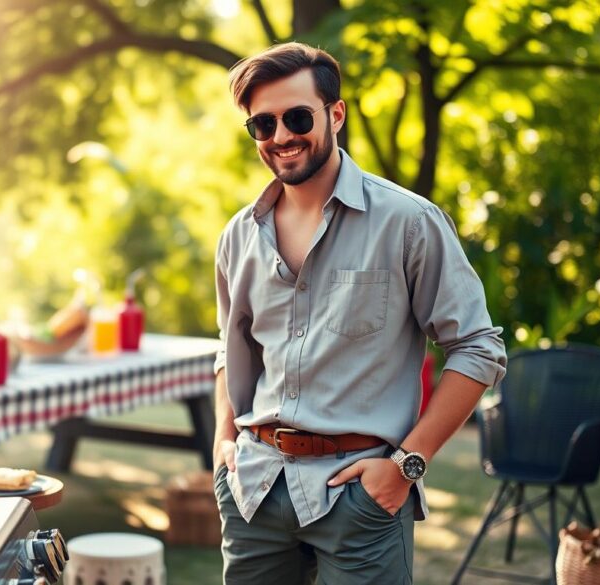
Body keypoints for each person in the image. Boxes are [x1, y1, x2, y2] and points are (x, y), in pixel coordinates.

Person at [212, 42, 507, 584]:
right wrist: (224, 443)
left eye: (298, 116)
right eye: (262, 124)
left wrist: (405, 468)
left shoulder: (408, 222)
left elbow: (478, 347)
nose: (281, 136)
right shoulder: (238, 236)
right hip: (254, 488)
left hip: (360, 497)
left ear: (336, 114)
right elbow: (232, 349)